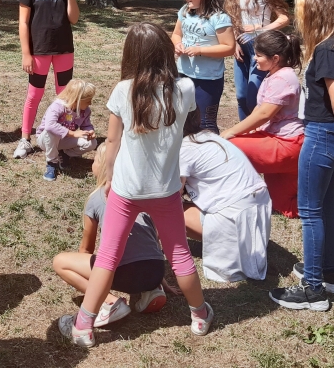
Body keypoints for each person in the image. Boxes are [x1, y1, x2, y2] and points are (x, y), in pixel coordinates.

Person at [57, 22, 213, 348]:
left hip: (125, 190)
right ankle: (199, 314)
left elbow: (112, 142)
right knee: (179, 254)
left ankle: (83, 326)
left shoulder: (122, 90)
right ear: (166, 52)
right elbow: (186, 126)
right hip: (166, 190)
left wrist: (110, 177)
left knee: (107, 257)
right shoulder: (185, 88)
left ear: (131, 54)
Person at [269, 0, 334, 312]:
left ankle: (312, 289)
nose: (299, 16)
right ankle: (328, 273)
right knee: (327, 205)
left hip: (323, 135)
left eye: (302, 10)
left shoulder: (325, 49)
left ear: (316, 12)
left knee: (310, 212)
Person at [53, 142, 168, 326]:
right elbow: (152, 237)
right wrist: (160, 276)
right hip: (156, 268)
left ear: (104, 166)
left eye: (95, 160)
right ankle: (152, 290)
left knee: (60, 262)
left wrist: (79, 273)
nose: (92, 164)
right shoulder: (141, 193)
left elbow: (86, 248)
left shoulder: (96, 197)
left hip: (125, 274)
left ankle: (110, 303)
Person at [180, 107, 272, 283]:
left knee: (163, 211)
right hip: (257, 213)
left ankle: (154, 250)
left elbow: (171, 195)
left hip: (234, 216)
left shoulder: (184, 149)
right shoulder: (210, 137)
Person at [222, 30, 305, 218]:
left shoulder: (283, 78)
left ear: (275, 58)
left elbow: (264, 114)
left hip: (287, 144)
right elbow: (260, 112)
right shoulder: (274, 74)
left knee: (227, 147)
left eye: (259, 55)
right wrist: (242, 132)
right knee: (281, 205)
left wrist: (230, 132)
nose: (255, 59)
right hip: (276, 138)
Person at [15, 0, 80, 159]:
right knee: (34, 94)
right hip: (39, 51)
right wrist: (26, 53)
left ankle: (64, 139)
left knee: (65, 96)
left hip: (64, 50)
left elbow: (74, 19)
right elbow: (23, 23)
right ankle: (25, 139)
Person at [222, 0, 291, 120]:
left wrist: (258, 30)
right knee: (241, 96)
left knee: (254, 97)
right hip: (241, 46)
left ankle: (259, 131)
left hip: (262, 46)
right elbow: (234, 17)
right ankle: (243, 133)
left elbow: (284, 18)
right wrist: (235, 41)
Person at [170, 0, 235, 132]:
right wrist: (178, 44)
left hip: (208, 79)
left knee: (204, 122)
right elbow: (176, 34)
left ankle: (211, 147)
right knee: (182, 119)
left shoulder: (219, 18)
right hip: (183, 73)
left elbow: (229, 47)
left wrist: (200, 50)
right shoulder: (185, 11)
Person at [34, 78, 98, 181]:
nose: (90, 103)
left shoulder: (85, 111)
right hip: (46, 140)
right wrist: (72, 133)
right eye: (87, 101)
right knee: (52, 132)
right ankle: (52, 163)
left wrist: (90, 131)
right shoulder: (58, 106)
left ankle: (65, 154)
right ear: (77, 100)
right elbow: (50, 125)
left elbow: (86, 125)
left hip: (64, 139)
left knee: (92, 143)